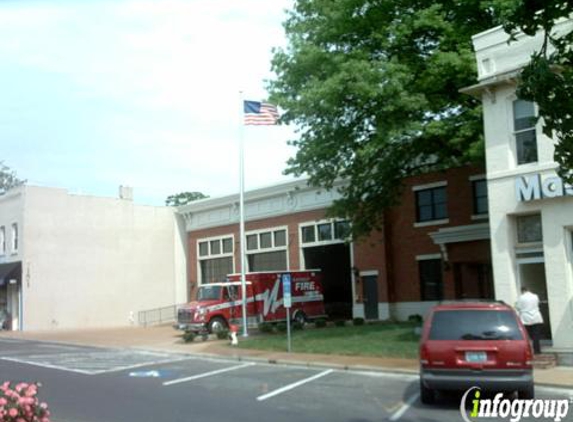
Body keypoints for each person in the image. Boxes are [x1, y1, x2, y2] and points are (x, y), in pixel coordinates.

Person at [515, 286, 544, 354]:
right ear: (529, 289)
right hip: (536, 317)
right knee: (536, 335)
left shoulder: (521, 297)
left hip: (525, 318)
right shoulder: (535, 296)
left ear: (522, 290)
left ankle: (528, 350)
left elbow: (518, 307)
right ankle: (537, 350)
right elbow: (537, 304)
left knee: (526, 336)